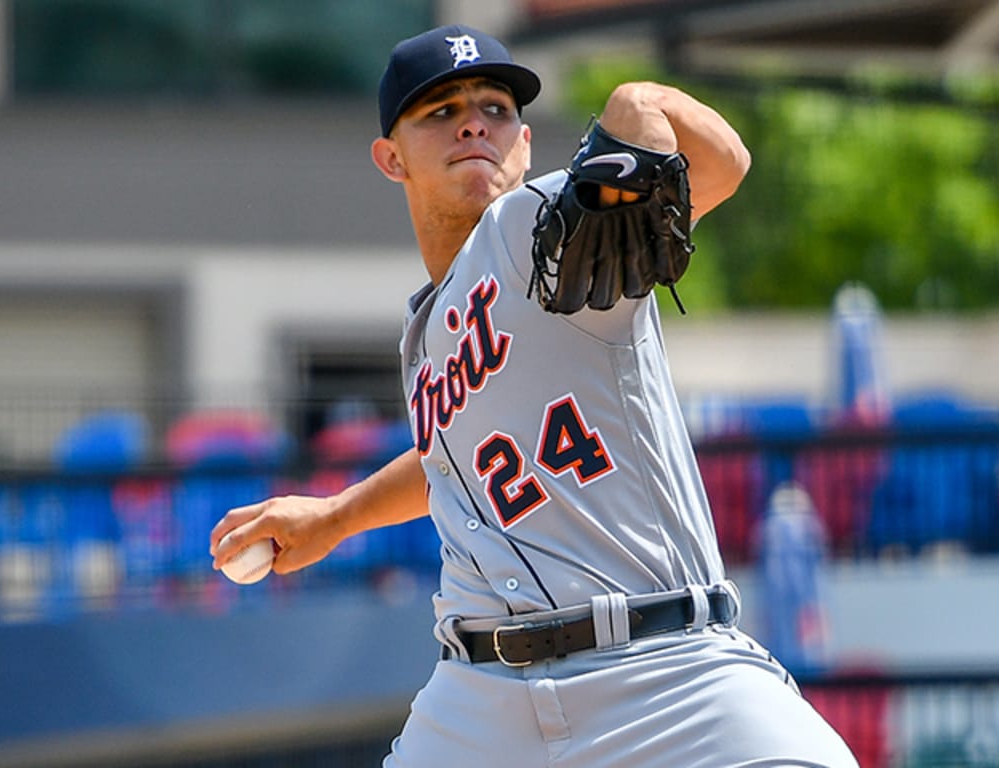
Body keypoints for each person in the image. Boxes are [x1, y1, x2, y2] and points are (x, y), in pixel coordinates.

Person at [211, 23, 858, 768]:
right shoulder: (423, 337)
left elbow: (721, 165)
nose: (474, 122)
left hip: (662, 671)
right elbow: (448, 461)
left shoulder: (548, 225)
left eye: (495, 107)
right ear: (392, 158)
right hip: (482, 699)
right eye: (441, 111)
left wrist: (641, 101)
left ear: (523, 143)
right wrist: (335, 515)